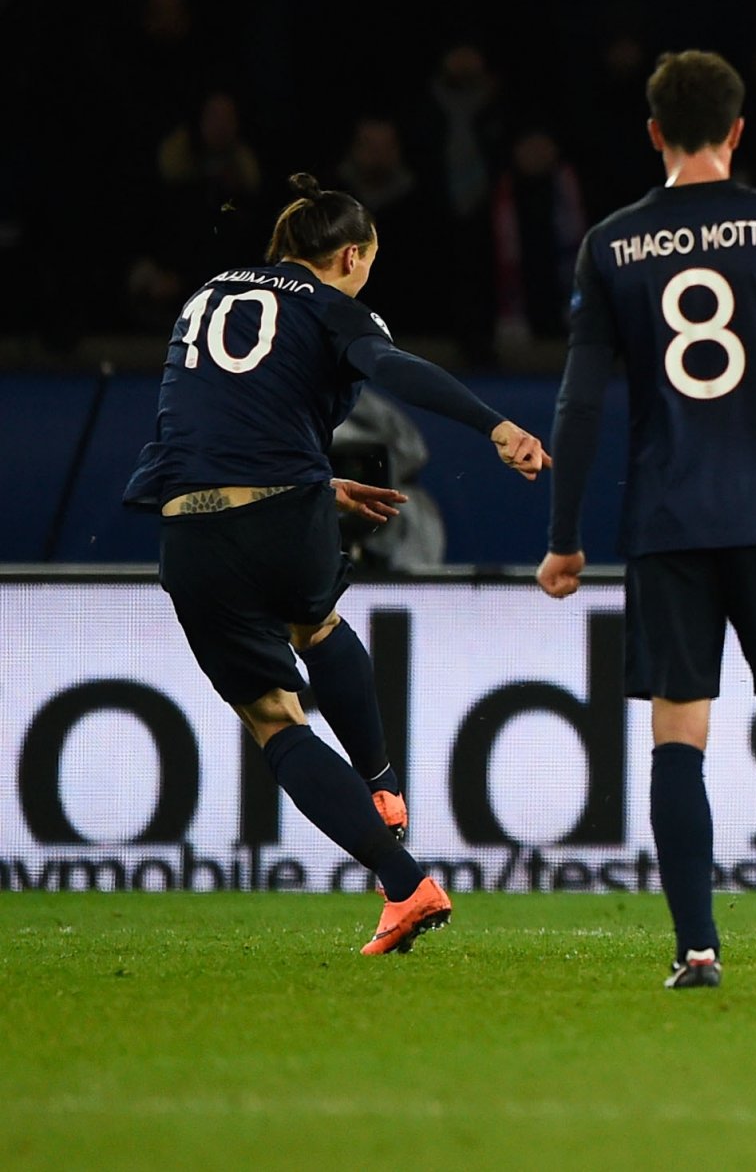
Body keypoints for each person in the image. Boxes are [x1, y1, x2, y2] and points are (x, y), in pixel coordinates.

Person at [123, 174, 550, 956]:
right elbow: (391, 368)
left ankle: (404, 881)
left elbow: (218, 413)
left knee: (273, 719)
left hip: (193, 523)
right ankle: (382, 783)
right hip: (288, 513)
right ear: (350, 254)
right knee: (316, 622)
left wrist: (310, 476)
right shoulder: (332, 305)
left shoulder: (204, 296)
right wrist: (492, 425)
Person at [535, 50, 756, 991]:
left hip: (667, 517)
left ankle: (696, 947)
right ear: (739, 129)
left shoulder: (610, 244)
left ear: (653, 132)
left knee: (675, 734)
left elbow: (579, 403)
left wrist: (564, 534)